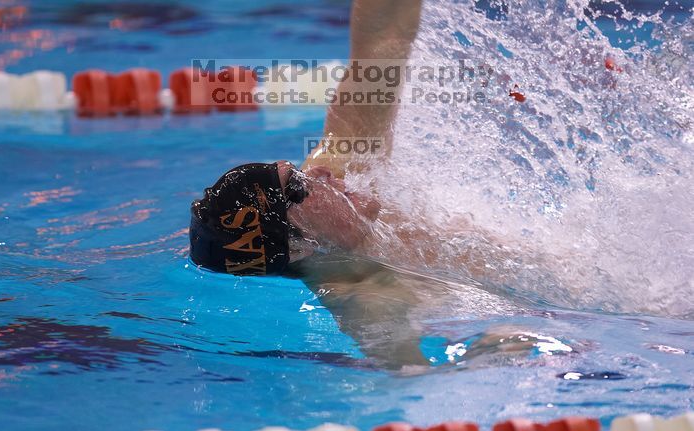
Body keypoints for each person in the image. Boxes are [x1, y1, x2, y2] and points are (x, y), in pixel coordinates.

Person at [190, 0, 541, 369]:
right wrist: (491, 352)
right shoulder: (369, 301)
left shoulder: (342, 167)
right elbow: (416, 379)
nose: (321, 173)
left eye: (297, 170)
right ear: (297, 247)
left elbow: (383, 40)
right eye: (298, 187)